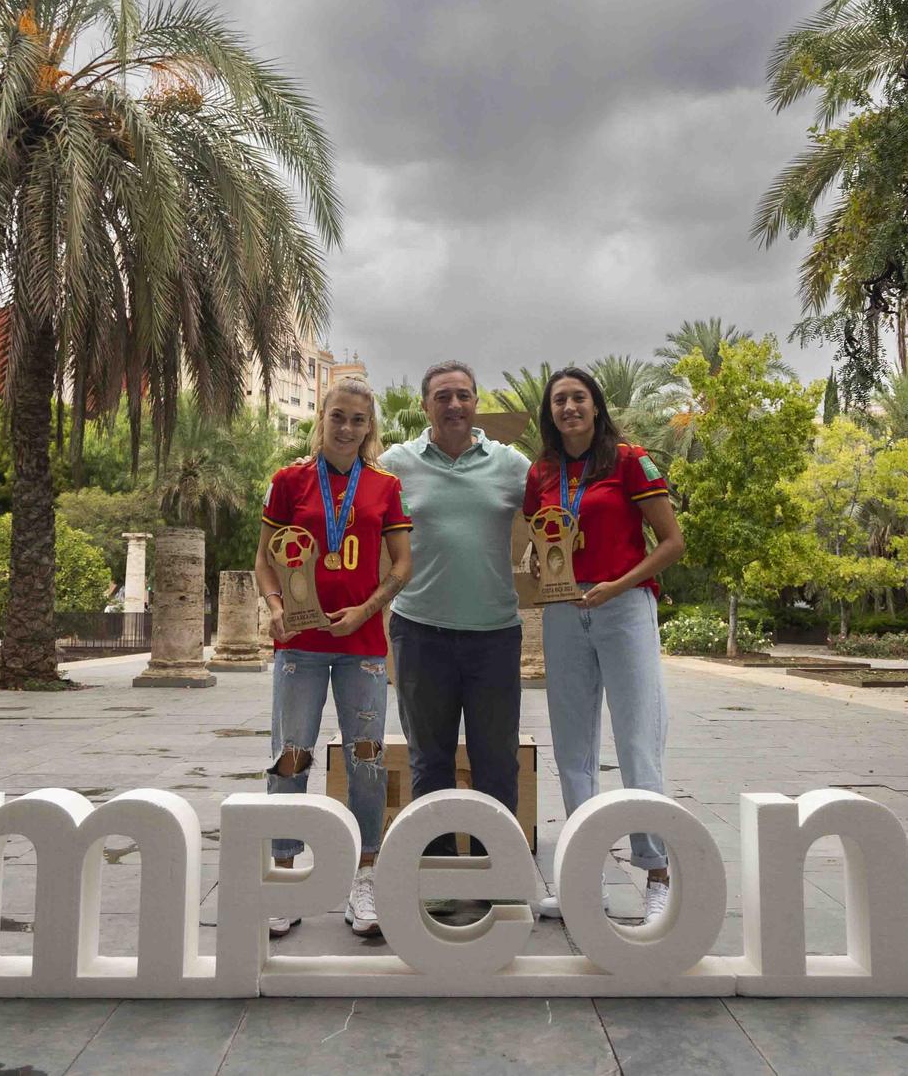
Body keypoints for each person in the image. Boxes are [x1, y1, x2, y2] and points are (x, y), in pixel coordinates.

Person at [525, 366, 685, 926]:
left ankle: (657, 872)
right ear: (550, 414)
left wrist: (618, 584)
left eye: (578, 398)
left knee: (639, 742)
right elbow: (539, 539)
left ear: (596, 406)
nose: (569, 407)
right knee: (573, 751)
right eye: (559, 401)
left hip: (623, 607)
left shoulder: (628, 460)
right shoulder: (541, 471)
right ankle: (583, 880)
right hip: (565, 613)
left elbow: (672, 542)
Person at [253, 377, 412, 939]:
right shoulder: (288, 481)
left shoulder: (384, 487)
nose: (347, 429)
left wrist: (368, 609)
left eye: (358, 420)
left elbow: (401, 565)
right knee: (289, 757)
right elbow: (264, 562)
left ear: (370, 428)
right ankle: (285, 874)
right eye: (338, 417)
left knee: (366, 760)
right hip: (300, 643)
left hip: (362, 646)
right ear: (321, 417)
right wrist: (274, 606)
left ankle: (365, 875)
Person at [379, 360, 531, 860]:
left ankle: (497, 873)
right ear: (426, 406)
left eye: (463, 395)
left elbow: (563, 511)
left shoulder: (510, 464)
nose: (454, 405)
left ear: (475, 403)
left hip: (495, 636)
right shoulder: (396, 463)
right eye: (442, 396)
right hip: (420, 634)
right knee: (429, 763)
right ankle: (439, 873)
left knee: (496, 764)